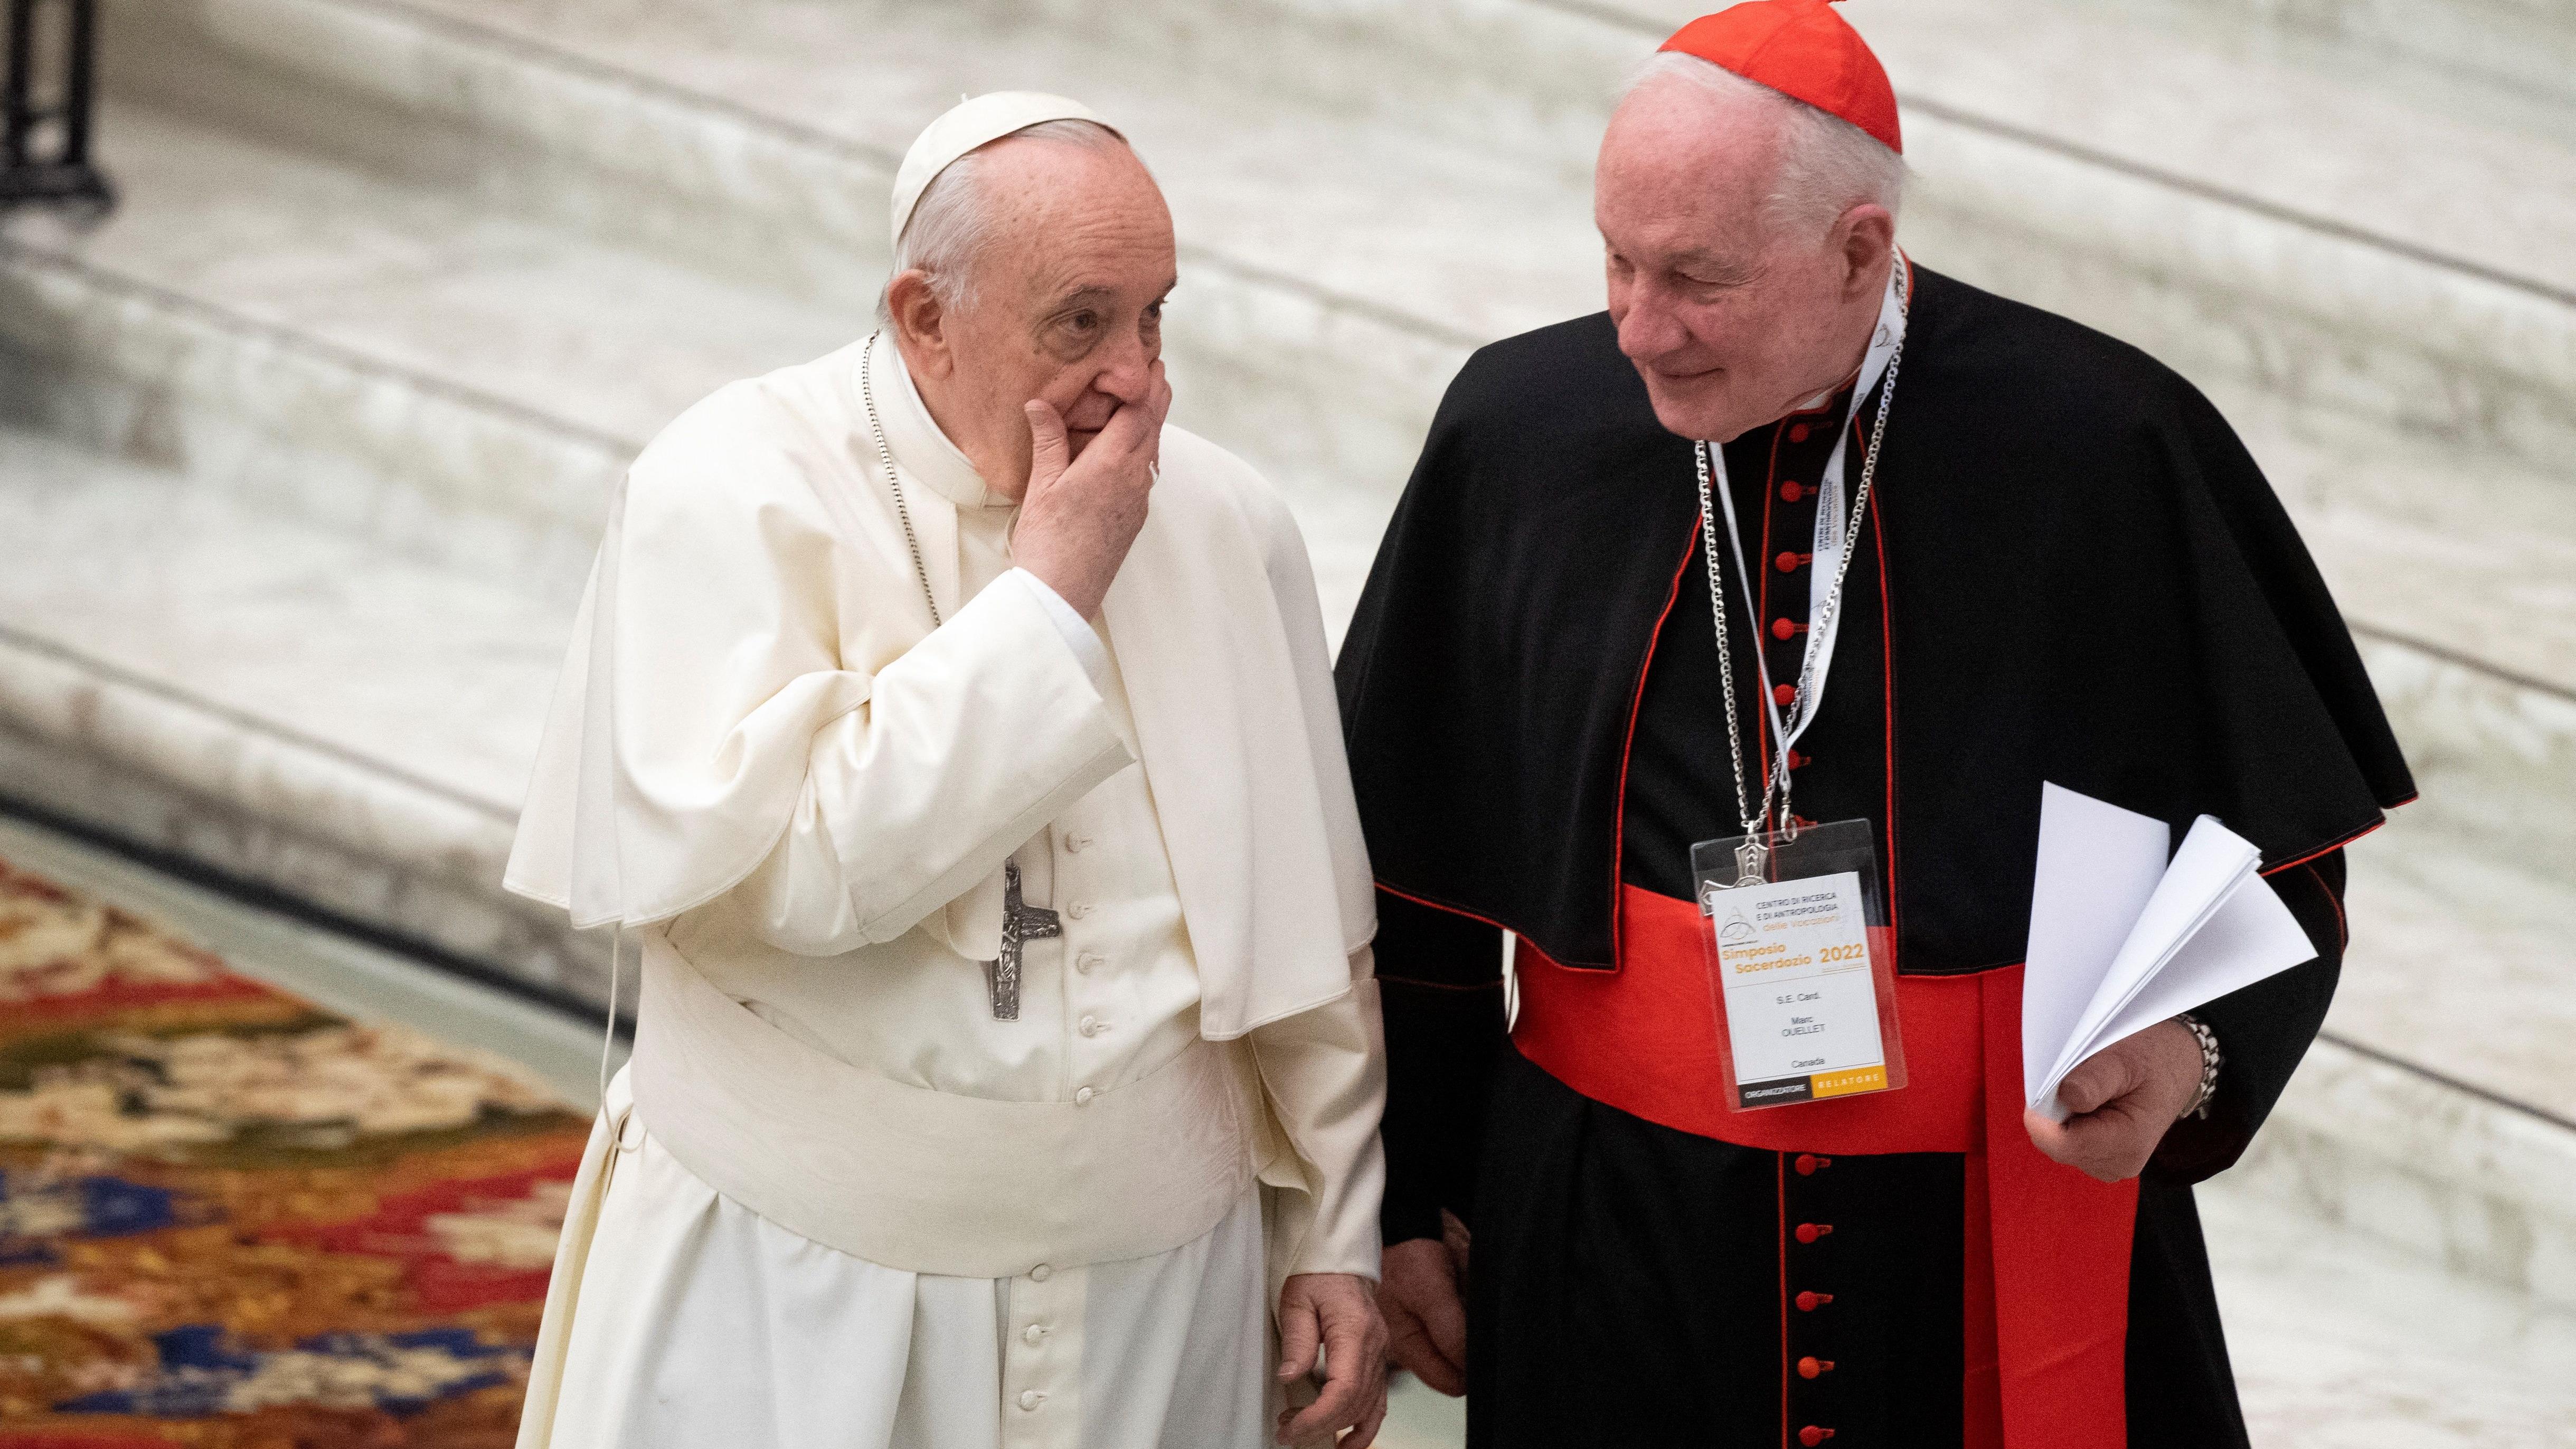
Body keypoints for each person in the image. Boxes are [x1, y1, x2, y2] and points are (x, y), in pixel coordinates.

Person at [1337, 4, 2414, 1446]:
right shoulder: (1521, 430)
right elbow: (1415, 883)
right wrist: (1414, 1202)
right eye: (1617, 260)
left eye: (1697, 281)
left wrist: (2193, 1056)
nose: (1638, 330)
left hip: (1978, 1235)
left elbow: (2286, 855)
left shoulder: (2102, 445)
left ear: (1858, 248)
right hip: (1607, 1235)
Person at [503, 93, 1390, 1449]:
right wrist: (1049, 597)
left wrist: (1335, 1230)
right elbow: (804, 877)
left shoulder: (1224, 522)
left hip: (1155, 1301)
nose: (1136, 376)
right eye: (1081, 321)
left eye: (1155, 316)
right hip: (796, 1291)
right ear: (924, 315)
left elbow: (1309, 937)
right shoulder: (732, 489)